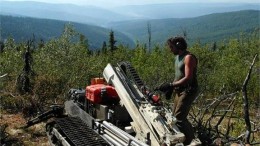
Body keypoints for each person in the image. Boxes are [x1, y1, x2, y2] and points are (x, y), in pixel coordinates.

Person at [157, 36, 199, 145]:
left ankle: (192, 141)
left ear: (178, 46)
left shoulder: (188, 57)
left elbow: (188, 78)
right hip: (179, 90)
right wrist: (171, 88)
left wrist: (170, 85)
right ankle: (183, 139)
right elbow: (179, 76)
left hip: (188, 90)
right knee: (173, 117)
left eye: (171, 47)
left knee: (179, 118)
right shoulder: (178, 57)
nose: (170, 49)